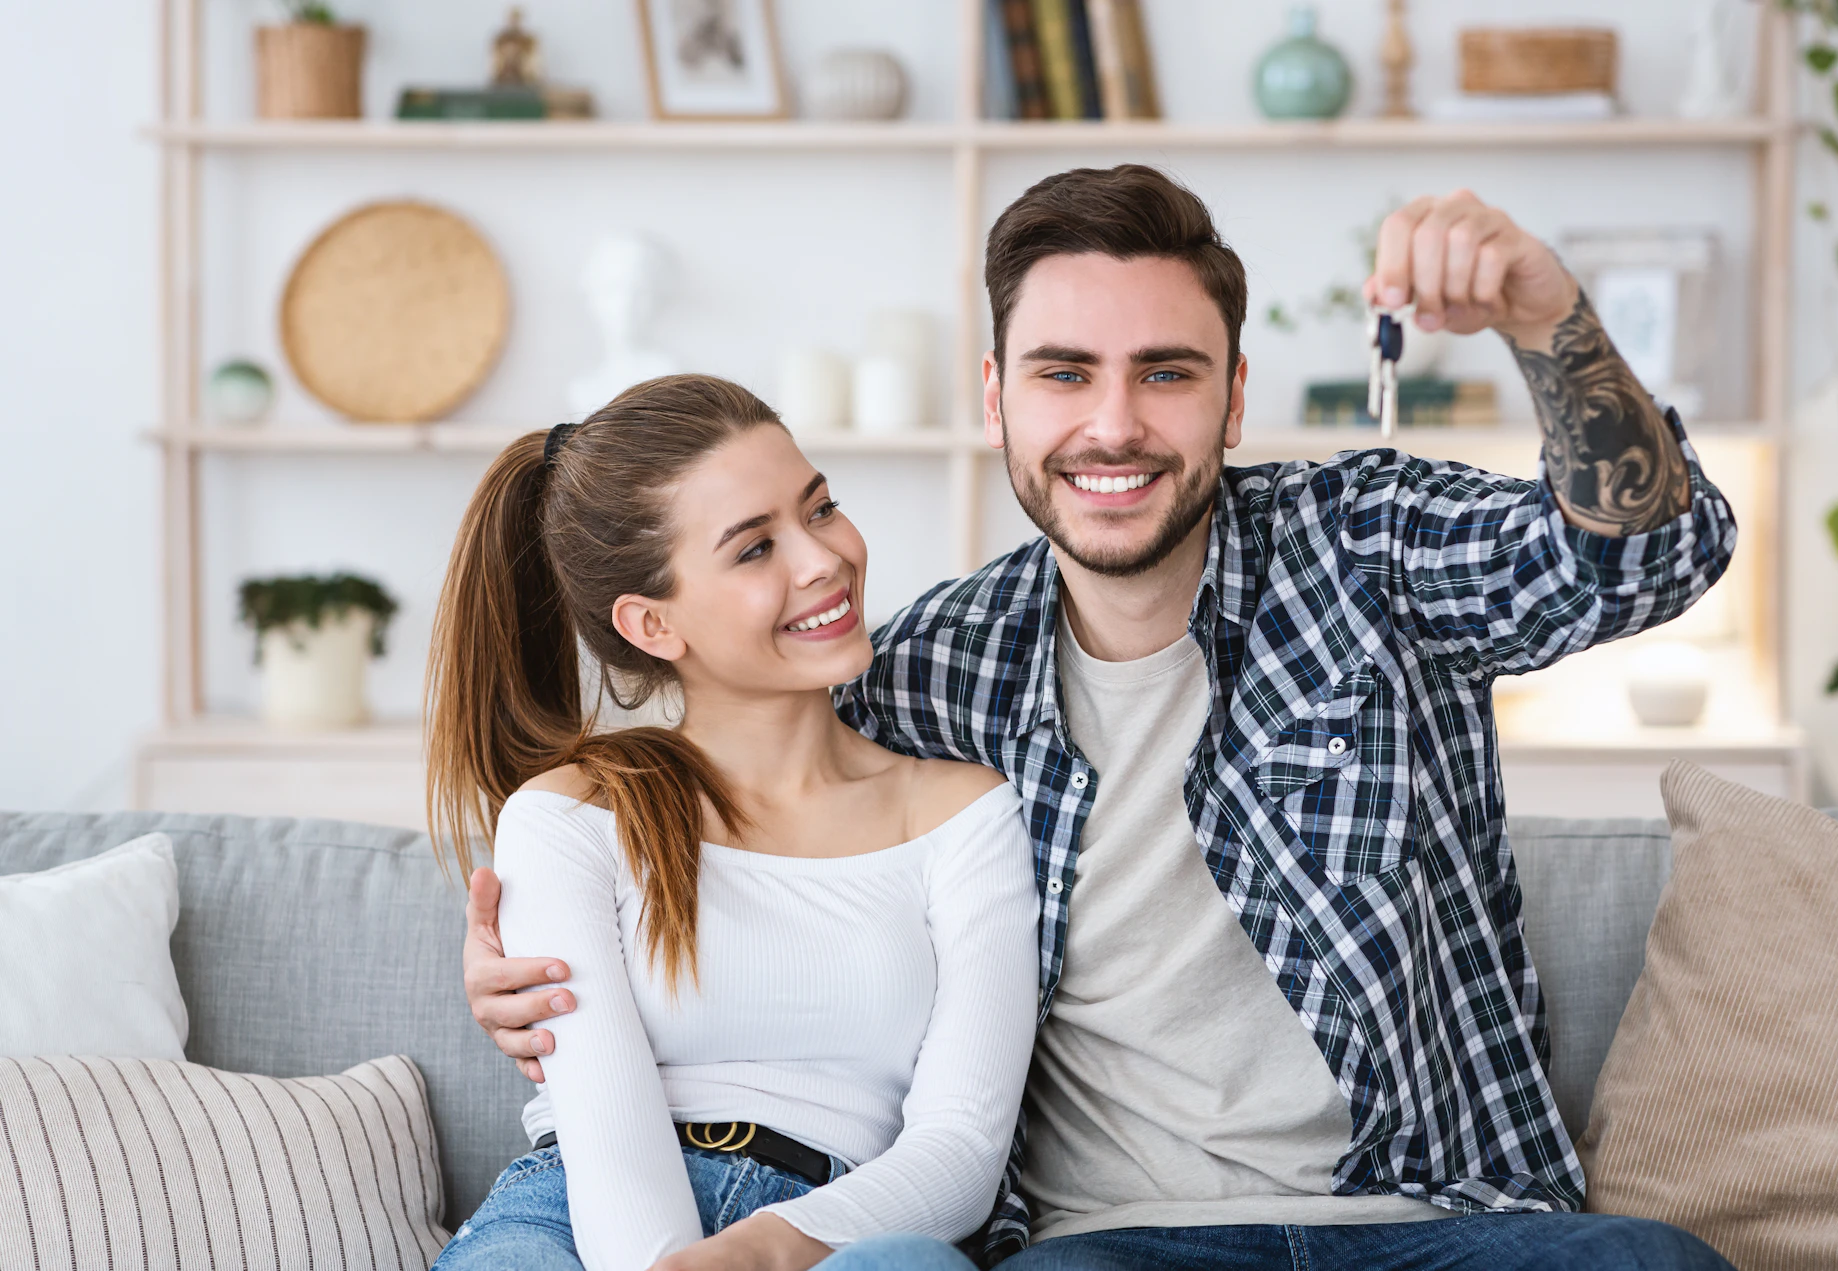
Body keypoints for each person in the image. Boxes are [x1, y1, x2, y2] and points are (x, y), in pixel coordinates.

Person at [463, 167, 1742, 1271]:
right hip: (1104, 1242)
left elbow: (1648, 559)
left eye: (1166, 373)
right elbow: (731, 778)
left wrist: (1545, 315)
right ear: (996, 398)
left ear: (1234, 400)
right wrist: (528, 966)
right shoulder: (927, 674)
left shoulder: (1369, 549)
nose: (1113, 423)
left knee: (1653, 1258)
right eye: (1064, 372)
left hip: (1433, 1221)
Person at [425, 375, 1039, 1271]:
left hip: (839, 1229)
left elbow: (960, 1150)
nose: (823, 558)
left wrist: (765, 1250)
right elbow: (606, 1135)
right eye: (755, 549)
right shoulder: (574, 813)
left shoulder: (962, 815)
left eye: (820, 507)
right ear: (651, 622)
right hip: (574, 1219)